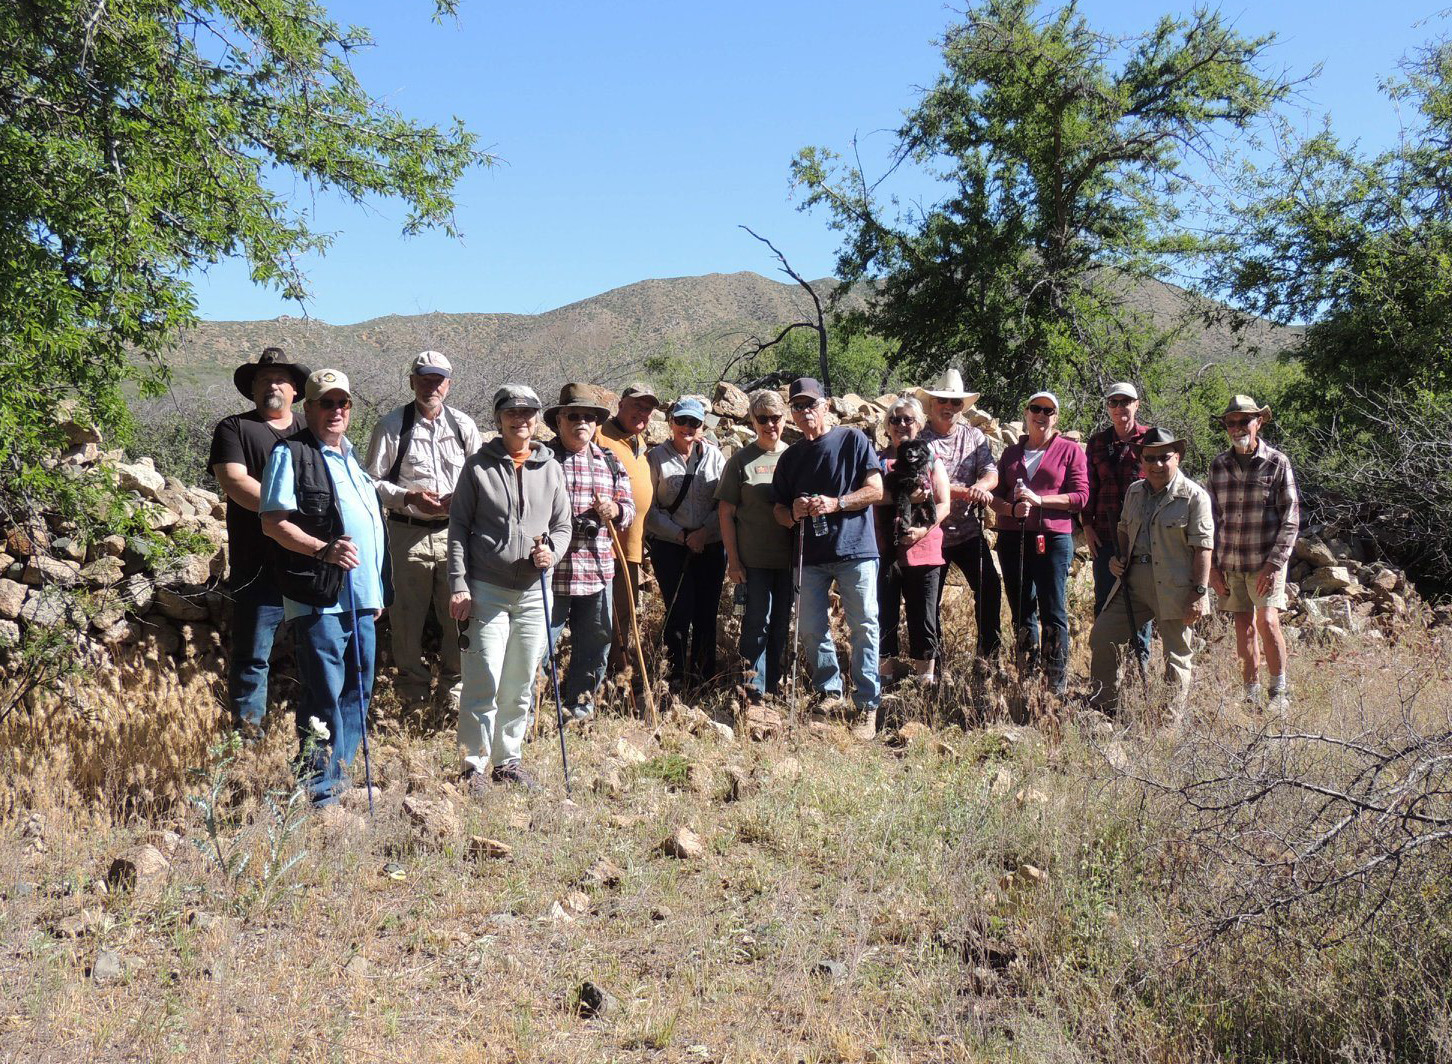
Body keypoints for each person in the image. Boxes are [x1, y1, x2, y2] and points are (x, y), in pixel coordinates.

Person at [259, 369, 390, 804]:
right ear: (308, 407)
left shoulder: (351, 458)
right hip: (319, 597)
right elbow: (273, 523)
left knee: (358, 690)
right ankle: (318, 786)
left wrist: (376, 592)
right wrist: (323, 550)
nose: (336, 411)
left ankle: (340, 773)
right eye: (326, 403)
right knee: (324, 694)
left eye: (342, 403)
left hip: (362, 599)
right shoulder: (291, 454)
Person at [447, 385, 571, 792]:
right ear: (498, 419)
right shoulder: (477, 467)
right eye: (512, 412)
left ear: (537, 419)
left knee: (520, 682)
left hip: (535, 592)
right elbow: (458, 528)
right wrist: (459, 583)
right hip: (486, 589)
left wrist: (551, 551)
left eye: (528, 412)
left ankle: (508, 760)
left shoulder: (551, 468)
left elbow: (562, 526)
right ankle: (473, 765)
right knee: (483, 677)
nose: (521, 419)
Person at [364, 351, 483, 707]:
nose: (432, 386)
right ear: (412, 381)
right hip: (407, 533)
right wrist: (408, 497)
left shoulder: (463, 426)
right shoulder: (391, 426)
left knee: (458, 613)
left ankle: (454, 693)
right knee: (406, 618)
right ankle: (412, 696)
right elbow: (370, 483)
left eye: (438, 380)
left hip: (455, 533)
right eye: (425, 379)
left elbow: (481, 478)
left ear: (449, 384)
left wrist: (461, 498)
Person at [771, 377, 885, 739]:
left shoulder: (853, 440)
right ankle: (829, 693)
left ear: (827, 406)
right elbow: (778, 510)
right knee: (809, 627)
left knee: (864, 625)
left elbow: (876, 490)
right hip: (809, 555)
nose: (805, 411)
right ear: (791, 413)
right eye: (798, 406)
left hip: (855, 550)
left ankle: (867, 704)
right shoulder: (790, 457)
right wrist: (794, 512)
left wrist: (837, 503)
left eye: (811, 404)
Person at [209, 347, 309, 738]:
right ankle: (248, 736)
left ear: (295, 390)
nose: (273, 386)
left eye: (281, 379)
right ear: (252, 389)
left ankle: (314, 730)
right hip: (257, 565)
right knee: (252, 655)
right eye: (264, 379)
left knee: (317, 651)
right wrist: (296, 515)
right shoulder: (234, 428)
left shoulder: (312, 427)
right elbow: (235, 481)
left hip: (309, 563)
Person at [1088, 428, 1213, 718]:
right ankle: (1104, 708)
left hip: (1175, 585)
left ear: (1177, 457)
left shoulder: (1194, 497)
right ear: (1141, 460)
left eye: (1164, 457)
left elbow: (1203, 548)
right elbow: (1123, 529)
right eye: (1150, 458)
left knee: (1176, 655)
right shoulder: (1135, 492)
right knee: (1103, 635)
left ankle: (1169, 721)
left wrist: (1198, 593)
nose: (1157, 464)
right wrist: (1118, 559)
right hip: (1133, 582)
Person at [541, 383, 635, 722]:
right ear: (559, 421)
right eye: (573, 416)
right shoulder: (542, 459)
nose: (582, 422)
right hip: (550, 570)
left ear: (596, 423)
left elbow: (629, 510)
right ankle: (529, 709)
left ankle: (579, 707)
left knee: (596, 642)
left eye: (589, 417)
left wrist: (614, 509)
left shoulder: (609, 461)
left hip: (596, 569)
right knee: (538, 643)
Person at [990, 391, 1088, 696]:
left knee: (1053, 609)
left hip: (1052, 538)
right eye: (1036, 408)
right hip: (1013, 538)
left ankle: (1055, 682)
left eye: (1048, 411)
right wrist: (1011, 509)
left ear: (1055, 418)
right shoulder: (1011, 454)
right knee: (1021, 609)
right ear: (1026, 412)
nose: (1041, 415)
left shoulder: (1069, 451)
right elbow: (995, 497)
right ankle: (1027, 675)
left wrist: (1040, 500)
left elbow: (1080, 497)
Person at [1207, 394, 1300, 711]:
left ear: (1258, 422)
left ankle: (1279, 692)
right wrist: (1212, 567)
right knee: (1242, 626)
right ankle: (1251, 695)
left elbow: (1291, 518)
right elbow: (1210, 519)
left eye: (1243, 421)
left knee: (1268, 622)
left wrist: (1274, 565)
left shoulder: (1277, 462)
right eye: (1230, 423)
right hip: (1231, 561)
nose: (1236, 428)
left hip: (1265, 561)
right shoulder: (1218, 465)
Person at [917, 368, 1002, 668]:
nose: (949, 407)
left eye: (955, 402)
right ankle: (935, 666)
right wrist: (967, 492)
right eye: (942, 400)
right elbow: (925, 484)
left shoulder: (974, 437)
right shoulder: (920, 439)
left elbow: (991, 472)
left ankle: (988, 658)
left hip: (967, 531)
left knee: (990, 587)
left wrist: (983, 486)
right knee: (929, 602)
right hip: (931, 533)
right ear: (932, 404)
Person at [716, 389, 794, 701]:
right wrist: (733, 561)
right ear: (752, 421)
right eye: (763, 418)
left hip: (790, 560)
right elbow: (725, 512)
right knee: (757, 623)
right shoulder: (740, 461)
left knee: (781, 625)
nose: (770, 424)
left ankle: (773, 687)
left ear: (785, 419)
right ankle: (752, 689)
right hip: (754, 561)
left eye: (776, 418)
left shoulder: (795, 457)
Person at [646, 397, 726, 690]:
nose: (687, 427)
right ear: (671, 423)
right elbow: (649, 508)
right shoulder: (655, 458)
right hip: (670, 545)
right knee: (678, 610)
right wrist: (681, 535)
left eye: (694, 422)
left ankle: (704, 677)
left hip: (710, 544)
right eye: (681, 421)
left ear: (702, 425)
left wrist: (704, 532)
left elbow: (725, 503)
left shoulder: (715, 457)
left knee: (707, 612)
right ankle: (675, 675)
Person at [875, 396, 950, 687]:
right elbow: (869, 496)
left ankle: (925, 681)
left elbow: (943, 503)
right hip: (885, 550)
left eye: (908, 419)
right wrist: (903, 497)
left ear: (919, 424)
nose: (902, 425)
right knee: (884, 613)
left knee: (923, 616)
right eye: (895, 419)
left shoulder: (931, 460)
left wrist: (922, 530)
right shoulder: (877, 461)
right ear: (887, 426)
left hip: (924, 549)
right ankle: (885, 678)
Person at [1083, 381, 1152, 663]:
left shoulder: (1150, 439)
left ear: (1137, 404)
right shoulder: (1098, 442)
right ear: (1108, 407)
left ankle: (1138, 667)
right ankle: (1105, 667)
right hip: (1105, 534)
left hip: (1142, 537)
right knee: (1104, 600)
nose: (1120, 407)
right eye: (1114, 402)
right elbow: (1089, 486)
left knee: (1141, 602)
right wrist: (1087, 525)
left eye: (1126, 402)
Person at [597, 383, 660, 684]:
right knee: (601, 617)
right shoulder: (600, 435)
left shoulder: (640, 444)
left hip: (631, 549)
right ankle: (597, 681)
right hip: (605, 546)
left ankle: (617, 680)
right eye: (636, 405)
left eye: (647, 409)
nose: (641, 413)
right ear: (620, 404)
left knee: (623, 615)